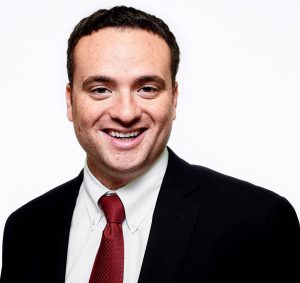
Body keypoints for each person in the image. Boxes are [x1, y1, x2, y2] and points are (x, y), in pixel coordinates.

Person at [1, 5, 299, 283]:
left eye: (147, 88)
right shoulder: (26, 230)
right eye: (101, 89)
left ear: (174, 99)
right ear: (70, 102)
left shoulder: (258, 223)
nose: (126, 113)